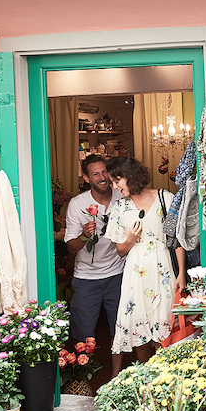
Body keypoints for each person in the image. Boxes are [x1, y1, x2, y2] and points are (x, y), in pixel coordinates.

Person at [104, 156, 186, 372]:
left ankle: (165, 375)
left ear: (128, 176)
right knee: (138, 322)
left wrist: (182, 274)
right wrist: (130, 239)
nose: (114, 186)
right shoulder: (119, 208)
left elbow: (176, 239)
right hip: (135, 270)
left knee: (164, 321)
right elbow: (120, 250)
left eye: (116, 180)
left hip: (163, 268)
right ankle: (146, 374)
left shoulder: (164, 198)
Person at [64, 155, 125, 374]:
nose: (102, 177)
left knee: (120, 329)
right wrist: (83, 236)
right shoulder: (77, 204)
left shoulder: (122, 195)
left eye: (104, 172)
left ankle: (116, 375)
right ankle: (82, 380)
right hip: (86, 278)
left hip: (118, 273)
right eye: (96, 174)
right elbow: (71, 247)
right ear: (86, 178)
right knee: (83, 333)